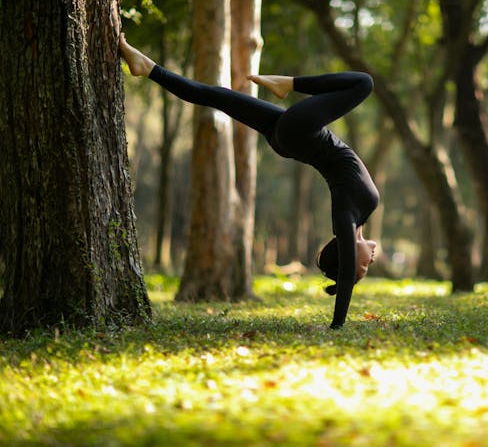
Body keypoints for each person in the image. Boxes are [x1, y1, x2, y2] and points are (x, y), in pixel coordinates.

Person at [118, 34, 379, 329]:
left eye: (363, 267)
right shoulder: (361, 215)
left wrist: (336, 325)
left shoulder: (345, 214)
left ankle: (289, 84)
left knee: (363, 84)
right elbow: (346, 273)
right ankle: (148, 67)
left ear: (344, 252)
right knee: (215, 96)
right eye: (364, 269)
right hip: (292, 140)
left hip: (301, 134)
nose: (370, 261)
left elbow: (344, 278)